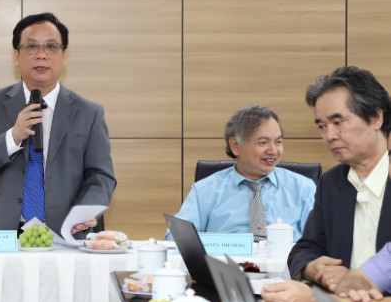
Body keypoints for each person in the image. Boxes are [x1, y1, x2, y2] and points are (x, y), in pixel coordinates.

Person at [0, 12, 116, 235]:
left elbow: (101, 176)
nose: (41, 55)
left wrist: (85, 210)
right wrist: (13, 136)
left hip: (65, 232)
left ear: (64, 56)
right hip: (4, 234)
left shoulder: (89, 112)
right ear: (16, 56)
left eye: (51, 47)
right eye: (31, 47)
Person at [288, 66, 391, 288]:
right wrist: (315, 268)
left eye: (338, 123)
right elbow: (305, 249)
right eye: (322, 126)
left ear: (376, 117)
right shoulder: (332, 182)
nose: (330, 136)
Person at [165, 105, 316, 240]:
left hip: (284, 262)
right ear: (235, 146)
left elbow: (318, 243)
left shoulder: (303, 188)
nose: (273, 151)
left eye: (278, 142)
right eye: (263, 142)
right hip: (224, 262)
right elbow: (175, 239)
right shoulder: (205, 190)